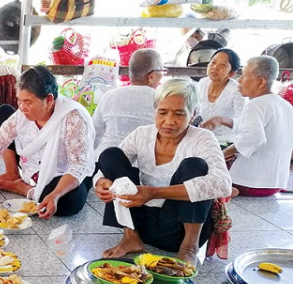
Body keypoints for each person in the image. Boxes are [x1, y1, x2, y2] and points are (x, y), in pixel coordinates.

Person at [94, 79, 232, 264]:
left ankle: (189, 247)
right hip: (142, 224)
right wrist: (102, 183)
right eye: (162, 112)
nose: (169, 121)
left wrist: (154, 193)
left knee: (195, 166)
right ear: (154, 112)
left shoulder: (203, 138)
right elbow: (108, 166)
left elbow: (223, 184)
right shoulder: (142, 134)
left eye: (179, 114)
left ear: (192, 115)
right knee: (110, 155)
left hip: (178, 229)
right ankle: (130, 237)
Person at [0, 66, 94, 219]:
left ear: (49, 100)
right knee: (3, 112)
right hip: (33, 166)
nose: (22, 108)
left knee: (68, 201)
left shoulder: (73, 118)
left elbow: (78, 166)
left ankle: (22, 187)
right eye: (19, 100)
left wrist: (55, 195)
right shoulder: (21, 116)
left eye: (28, 102)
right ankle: (15, 177)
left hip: (65, 173)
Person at [223, 56, 293, 197]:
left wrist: (224, 153)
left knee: (202, 164)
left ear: (261, 82)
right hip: (276, 184)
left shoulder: (255, 105)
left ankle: (225, 190)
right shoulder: (287, 106)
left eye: (244, 75)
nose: (239, 80)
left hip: (248, 183)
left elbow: (253, 138)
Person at [92, 49, 163, 160]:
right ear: (151, 77)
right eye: (162, 71)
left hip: (103, 162)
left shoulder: (109, 96)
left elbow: (93, 135)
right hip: (141, 168)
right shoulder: (162, 99)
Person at [197, 48, 247, 144]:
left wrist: (220, 120)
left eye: (222, 65)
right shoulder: (203, 83)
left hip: (227, 141)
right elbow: (196, 110)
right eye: (213, 63)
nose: (215, 67)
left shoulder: (237, 91)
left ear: (231, 73)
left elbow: (243, 122)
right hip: (204, 137)